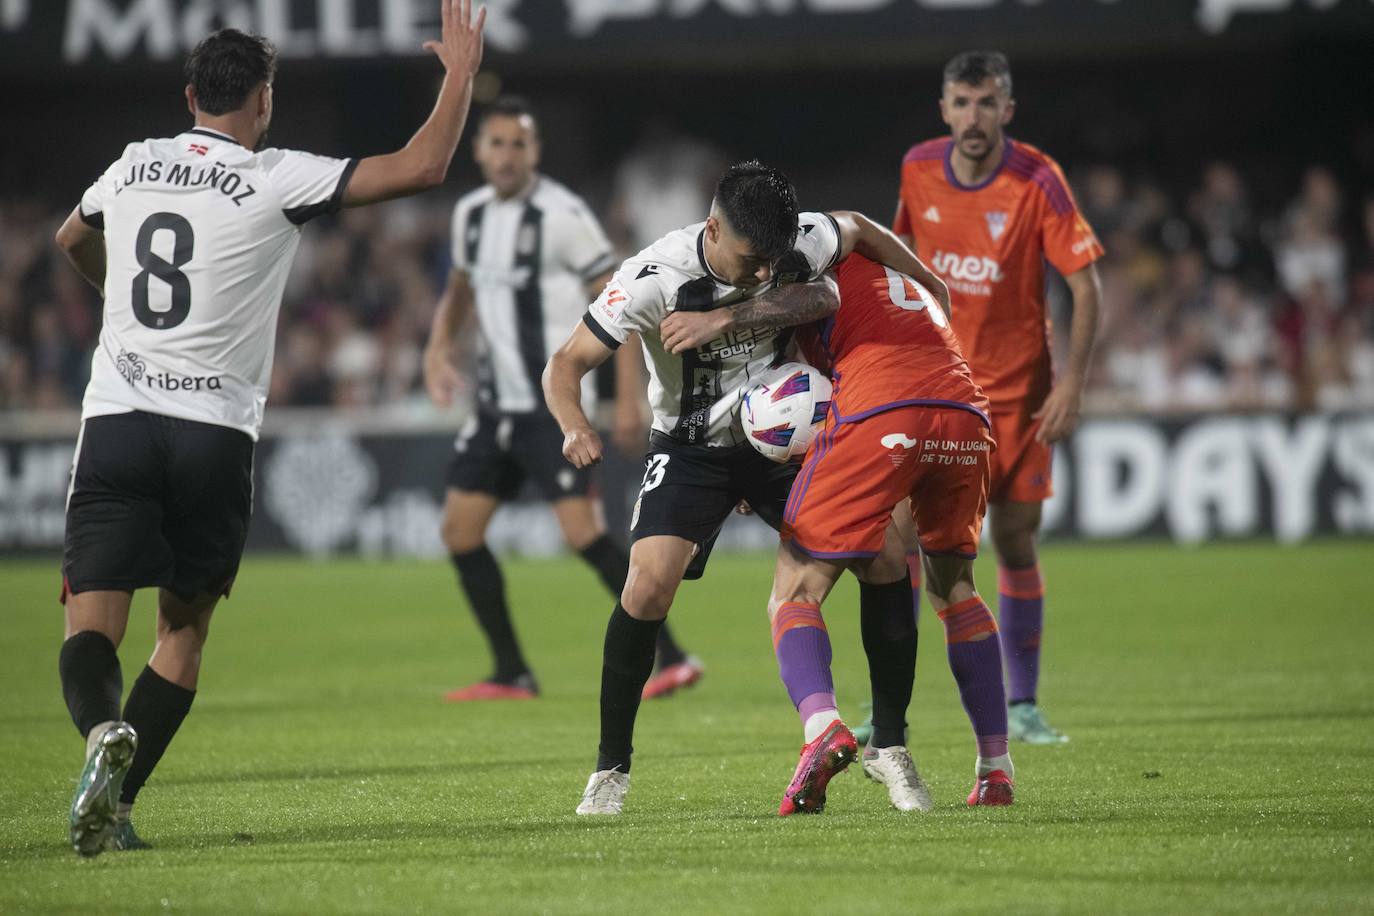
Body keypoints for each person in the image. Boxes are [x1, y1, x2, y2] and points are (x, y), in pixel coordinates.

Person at [52, 0, 485, 857]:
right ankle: (120, 803)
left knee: (90, 628)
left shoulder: (135, 164)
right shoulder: (273, 175)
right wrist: (462, 75)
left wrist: (119, 309)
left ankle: (102, 737)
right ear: (264, 102)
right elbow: (425, 165)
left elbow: (70, 238)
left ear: (188, 98)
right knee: (183, 629)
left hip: (118, 422)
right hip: (211, 432)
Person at [543, 160, 947, 816]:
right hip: (692, 446)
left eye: (775, 260)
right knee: (646, 587)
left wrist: (928, 282)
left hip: (783, 436)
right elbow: (565, 363)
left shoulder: (792, 241)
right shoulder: (653, 278)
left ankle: (892, 747)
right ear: (712, 230)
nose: (765, 271)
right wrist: (572, 423)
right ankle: (610, 770)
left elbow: (855, 240)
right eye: (752, 259)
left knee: (888, 550)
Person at [675, 252, 1014, 812]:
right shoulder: (890, 277)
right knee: (954, 588)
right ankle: (994, 770)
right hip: (964, 411)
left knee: (796, 590)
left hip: (883, 409)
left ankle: (824, 728)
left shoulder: (804, 271)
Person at [423, 96, 701, 701]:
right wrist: (435, 348)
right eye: (496, 144)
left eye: (518, 144)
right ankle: (511, 671)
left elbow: (623, 302)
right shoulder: (469, 214)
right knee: (460, 532)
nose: (505, 156)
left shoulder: (564, 214)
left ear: (535, 152)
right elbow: (460, 287)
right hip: (495, 407)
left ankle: (673, 656)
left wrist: (628, 397)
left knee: (583, 535)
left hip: (550, 411)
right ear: (479, 151)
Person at [875, 49, 1104, 745]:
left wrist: (1071, 384)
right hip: (939, 393)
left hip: (1019, 399)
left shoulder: (1038, 179)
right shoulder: (917, 168)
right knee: (900, 542)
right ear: (944, 109)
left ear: (1008, 108)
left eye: (988, 102)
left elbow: (1086, 284)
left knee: (1011, 540)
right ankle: (889, 705)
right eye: (962, 103)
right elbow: (896, 258)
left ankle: (1023, 703)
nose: (974, 117)